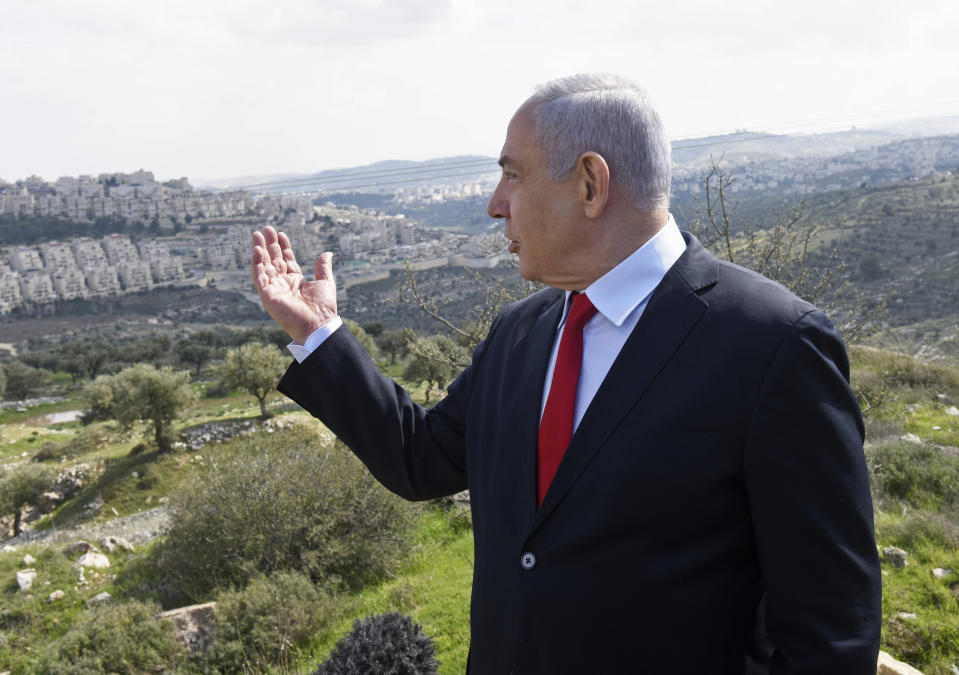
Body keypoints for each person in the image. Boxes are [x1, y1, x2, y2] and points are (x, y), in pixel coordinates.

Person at [252, 73, 881, 674]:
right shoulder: (519, 334)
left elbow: (830, 632)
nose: (495, 205)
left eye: (512, 175)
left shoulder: (773, 345)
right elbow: (423, 458)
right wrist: (318, 335)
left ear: (589, 184)